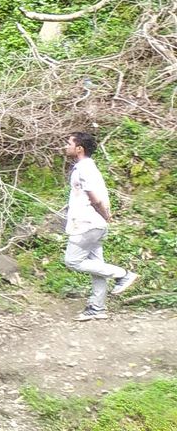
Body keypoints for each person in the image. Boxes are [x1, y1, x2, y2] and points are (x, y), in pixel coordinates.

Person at [62, 131, 140, 320]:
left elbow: (94, 197)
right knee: (97, 266)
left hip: (87, 224)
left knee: (72, 261)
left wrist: (105, 214)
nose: (65, 146)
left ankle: (124, 274)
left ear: (79, 148)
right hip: (94, 224)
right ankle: (97, 309)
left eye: (69, 143)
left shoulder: (83, 169)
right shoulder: (89, 167)